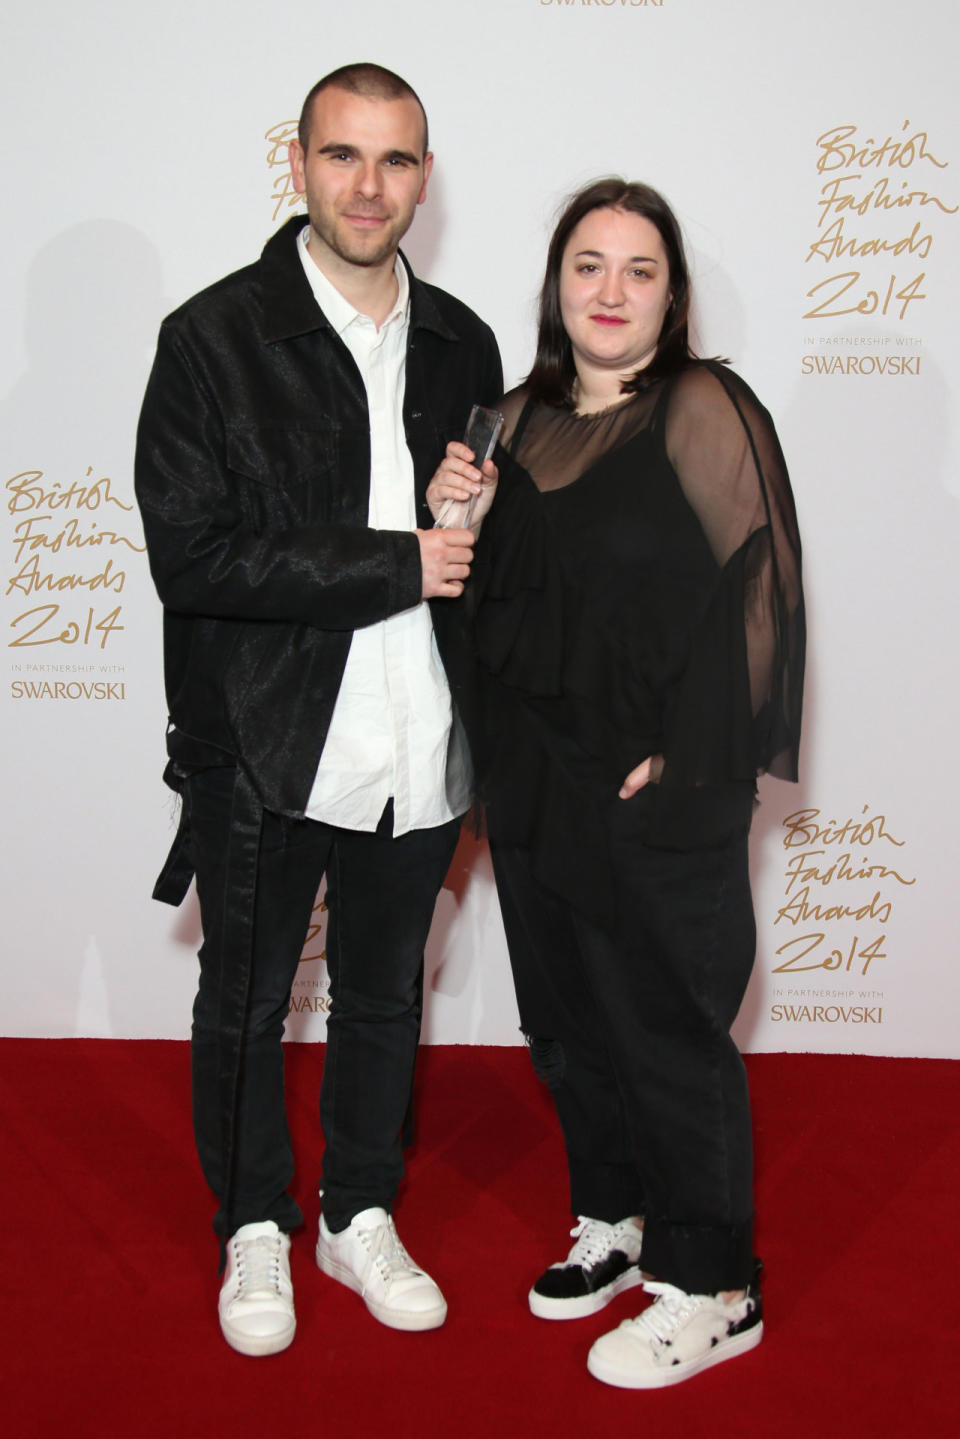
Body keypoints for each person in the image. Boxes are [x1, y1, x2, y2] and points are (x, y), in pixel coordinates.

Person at [135, 62, 501, 1357]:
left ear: (426, 175)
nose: (368, 186)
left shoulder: (463, 338)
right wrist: (396, 554)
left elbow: (467, 544)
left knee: (384, 991)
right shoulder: (213, 337)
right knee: (243, 1001)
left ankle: (357, 1206)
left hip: (420, 726)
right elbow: (194, 554)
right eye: (344, 156)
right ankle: (253, 1222)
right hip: (267, 734)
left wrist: (466, 519)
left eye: (396, 161)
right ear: (297, 161)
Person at [427, 178, 804, 1388]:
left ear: (672, 296)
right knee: (569, 1026)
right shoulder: (513, 419)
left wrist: (697, 755)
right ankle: (619, 1216)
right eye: (588, 264)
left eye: (639, 270)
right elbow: (493, 613)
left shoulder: (703, 406)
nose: (610, 291)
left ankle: (715, 1283)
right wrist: (457, 522)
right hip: (537, 780)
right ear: (556, 284)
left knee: (668, 1030)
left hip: (656, 788)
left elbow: (761, 587)